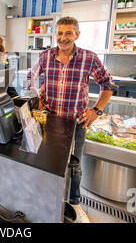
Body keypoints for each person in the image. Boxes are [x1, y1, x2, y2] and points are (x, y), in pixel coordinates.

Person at [27, 16, 115, 223]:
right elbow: (31, 77)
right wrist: (37, 96)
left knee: (74, 164)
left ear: (77, 35)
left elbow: (108, 84)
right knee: (47, 160)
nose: (63, 38)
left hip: (76, 123)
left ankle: (74, 202)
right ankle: (49, 196)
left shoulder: (89, 58)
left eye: (68, 33)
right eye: (59, 33)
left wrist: (96, 110)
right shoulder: (46, 55)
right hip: (49, 120)